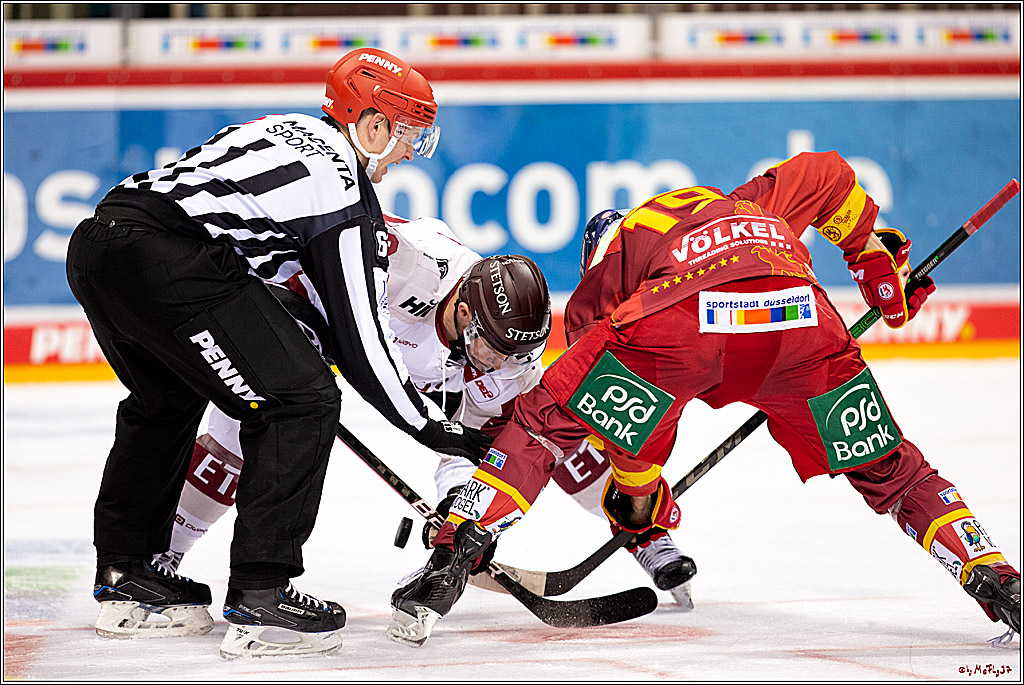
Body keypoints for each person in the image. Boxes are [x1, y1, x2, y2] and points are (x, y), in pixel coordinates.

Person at [387, 150, 1021, 647]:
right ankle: (991, 571)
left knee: (541, 423)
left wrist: (636, 507)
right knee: (889, 468)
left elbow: (621, 423)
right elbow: (830, 177)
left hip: (679, 329)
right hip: (799, 321)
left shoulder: (608, 279)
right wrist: (872, 258)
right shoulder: (745, 202)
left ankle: (456, 548)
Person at [66, 47, 494, 659]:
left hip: (101, 243)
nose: (403, 154)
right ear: (372, 125)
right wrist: (428, 427)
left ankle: (128, 578)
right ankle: (263, 598)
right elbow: (358, 335)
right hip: (170, 261)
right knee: (305, 400)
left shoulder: (279, 130)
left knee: (165, 397)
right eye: (405, 136)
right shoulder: (341, 183)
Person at [153, 213, 697, 620]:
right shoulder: (410, 262)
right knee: (239, 437)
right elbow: (312, 248)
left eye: (515, 355)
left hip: (396, 362)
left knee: (558, 438)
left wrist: (460, 520)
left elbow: (474, 449)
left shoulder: (508, 359)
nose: (503, 365)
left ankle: (646, 531)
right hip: (311, 323)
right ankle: (162, 559)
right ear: (462, 309)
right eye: (495, 350)